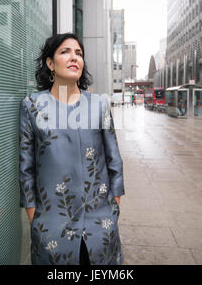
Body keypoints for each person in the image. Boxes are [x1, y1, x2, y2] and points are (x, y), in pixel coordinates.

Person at [19, 33, 125, 265]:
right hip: (51, 225)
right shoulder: (32, 105)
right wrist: (33, 214)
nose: (74, 57)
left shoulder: (99, 105)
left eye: (78, 53)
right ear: (50, 63)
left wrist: (112, 209)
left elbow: (114, 161)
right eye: (65, 51)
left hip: (99, 225)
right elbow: (26, 167)